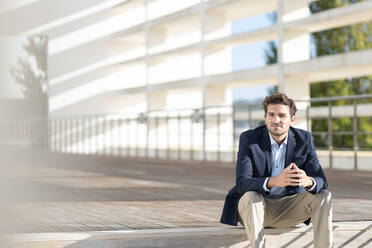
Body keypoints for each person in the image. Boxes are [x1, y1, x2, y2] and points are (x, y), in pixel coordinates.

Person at [220, 92, 333, 248]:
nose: (276, 120)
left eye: (281, 115)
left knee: (323, 196)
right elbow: (242, 183)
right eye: (271, 115)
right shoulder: (249, 139)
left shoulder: (304, 139)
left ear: (292, 120)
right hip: (256, 209)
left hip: (289, 209)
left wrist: (307, 181)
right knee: (251, 196)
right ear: (265, 117)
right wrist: (274, 181)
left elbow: (322, 181)